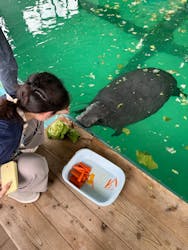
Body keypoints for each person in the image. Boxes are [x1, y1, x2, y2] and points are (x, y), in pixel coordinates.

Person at [0, 27, 70, 203]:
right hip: (4, 158)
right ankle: (23, 192)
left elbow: (6, 62)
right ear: (45, 113)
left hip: (13, 140)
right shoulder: (8, 135)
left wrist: (57, 109)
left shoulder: (17, 94)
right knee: (37, 167)